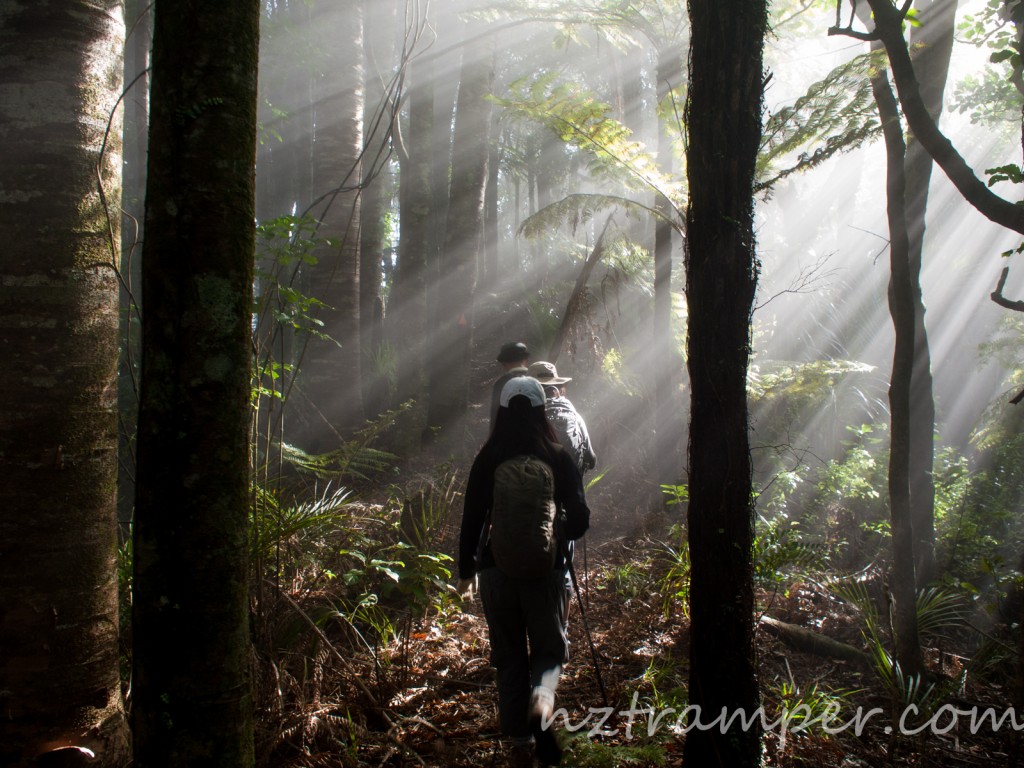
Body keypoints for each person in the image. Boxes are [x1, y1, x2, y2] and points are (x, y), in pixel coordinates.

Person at [459, 376, 590, 767]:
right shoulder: (556, 454)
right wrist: (556, 530)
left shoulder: (488, 457)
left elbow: (471, 520)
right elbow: (581, 520)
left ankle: (519, 744)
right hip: (545, 574)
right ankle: (543, 703)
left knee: (510, 656)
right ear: (539, 410)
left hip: (497, 573)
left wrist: (467, 570)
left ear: (501, 411)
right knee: (548, 652)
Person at [527, 361, 597, 475]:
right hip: (570, 488)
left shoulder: (522, 416)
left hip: (535, 487)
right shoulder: (575, 416)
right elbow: (591, 459)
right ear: (559, 387)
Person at [489, 342, 530, 430]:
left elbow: (496, 416)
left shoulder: (501, 383)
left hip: (510, 437)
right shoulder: (536, 379)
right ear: (526, 360)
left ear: (504, 363)